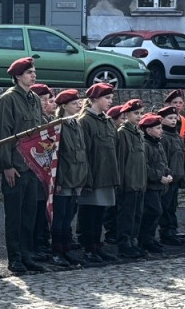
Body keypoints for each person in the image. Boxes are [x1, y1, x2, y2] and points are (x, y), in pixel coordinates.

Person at [0, 56, 44, 274]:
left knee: (29, 214)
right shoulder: (9, 99)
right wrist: (5, 165)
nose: (34, 75)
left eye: (34, 71)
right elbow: (3, 134)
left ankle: (26, 254)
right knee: (14, 216)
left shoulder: (34, 98)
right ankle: (14, 258)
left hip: (32, 166)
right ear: (17, 76)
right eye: (29, 72)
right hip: (15, 166)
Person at [76, 83, 120, 265]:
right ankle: (89, 249)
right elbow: (82, 151)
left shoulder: (108, 121)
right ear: (94, 99)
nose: (110, 102)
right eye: (107, 98)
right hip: (93, 175)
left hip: (106, 174)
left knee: (100, 214)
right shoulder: (85, 121)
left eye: (111, 98)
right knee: (89, 214)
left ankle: (96, 246)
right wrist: (86, 177)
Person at [50, 89, 87, 268]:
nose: (78, 106)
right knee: (60, 217)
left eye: (78, 103)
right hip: (63, 179)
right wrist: (59, 180)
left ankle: (66, 250)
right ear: (64, 106)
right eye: (74, 103)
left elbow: (81, 153)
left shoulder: (76, 124)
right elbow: (58, 156)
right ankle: (57, 252)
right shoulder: (59, 125)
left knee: (68, 217)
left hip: (76, 178)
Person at [114, 98, 147, 259]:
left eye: (141, 113)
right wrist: (121, 183)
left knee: (137, 214)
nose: (139, 116)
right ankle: (124, 244)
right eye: (136, 113)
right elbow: (121, 160)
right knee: (126, 215)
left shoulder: (138, 133)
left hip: (139, 182)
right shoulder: (123, 133)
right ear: (126, 114)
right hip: (128, 182)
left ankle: (133, 241)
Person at [30, 83, 56, 260]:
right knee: (36, 209)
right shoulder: (36, 119)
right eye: (45, 100)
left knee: (42, 208)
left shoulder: (47, 121)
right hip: (35, 170)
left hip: (46, 171)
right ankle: (36, 243)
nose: (48, 103)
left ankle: (42, 241)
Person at [139, 114, 171, 254]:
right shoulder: (146, 145)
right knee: (153, 212)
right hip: (151, 186)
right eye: (157, 128)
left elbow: (163, 163)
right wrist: (159, 177)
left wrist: (168, 173)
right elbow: (145, 167)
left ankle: (149, 238)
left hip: (159, 186)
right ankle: (145, 240)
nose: (161, 130)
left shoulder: (157, 143)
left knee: (156, 212)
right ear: (148, 130)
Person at [158, 105, 185, 246]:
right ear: (162, 120)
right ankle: (166, 232)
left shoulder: (176, 136)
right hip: (168, 179)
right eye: (169, 118)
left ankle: (172, 229)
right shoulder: (164, 138)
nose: (173, 121)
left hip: (176, 177)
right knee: (166, 206)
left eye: (175, 118)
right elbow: (163, 159)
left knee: (172, 205)